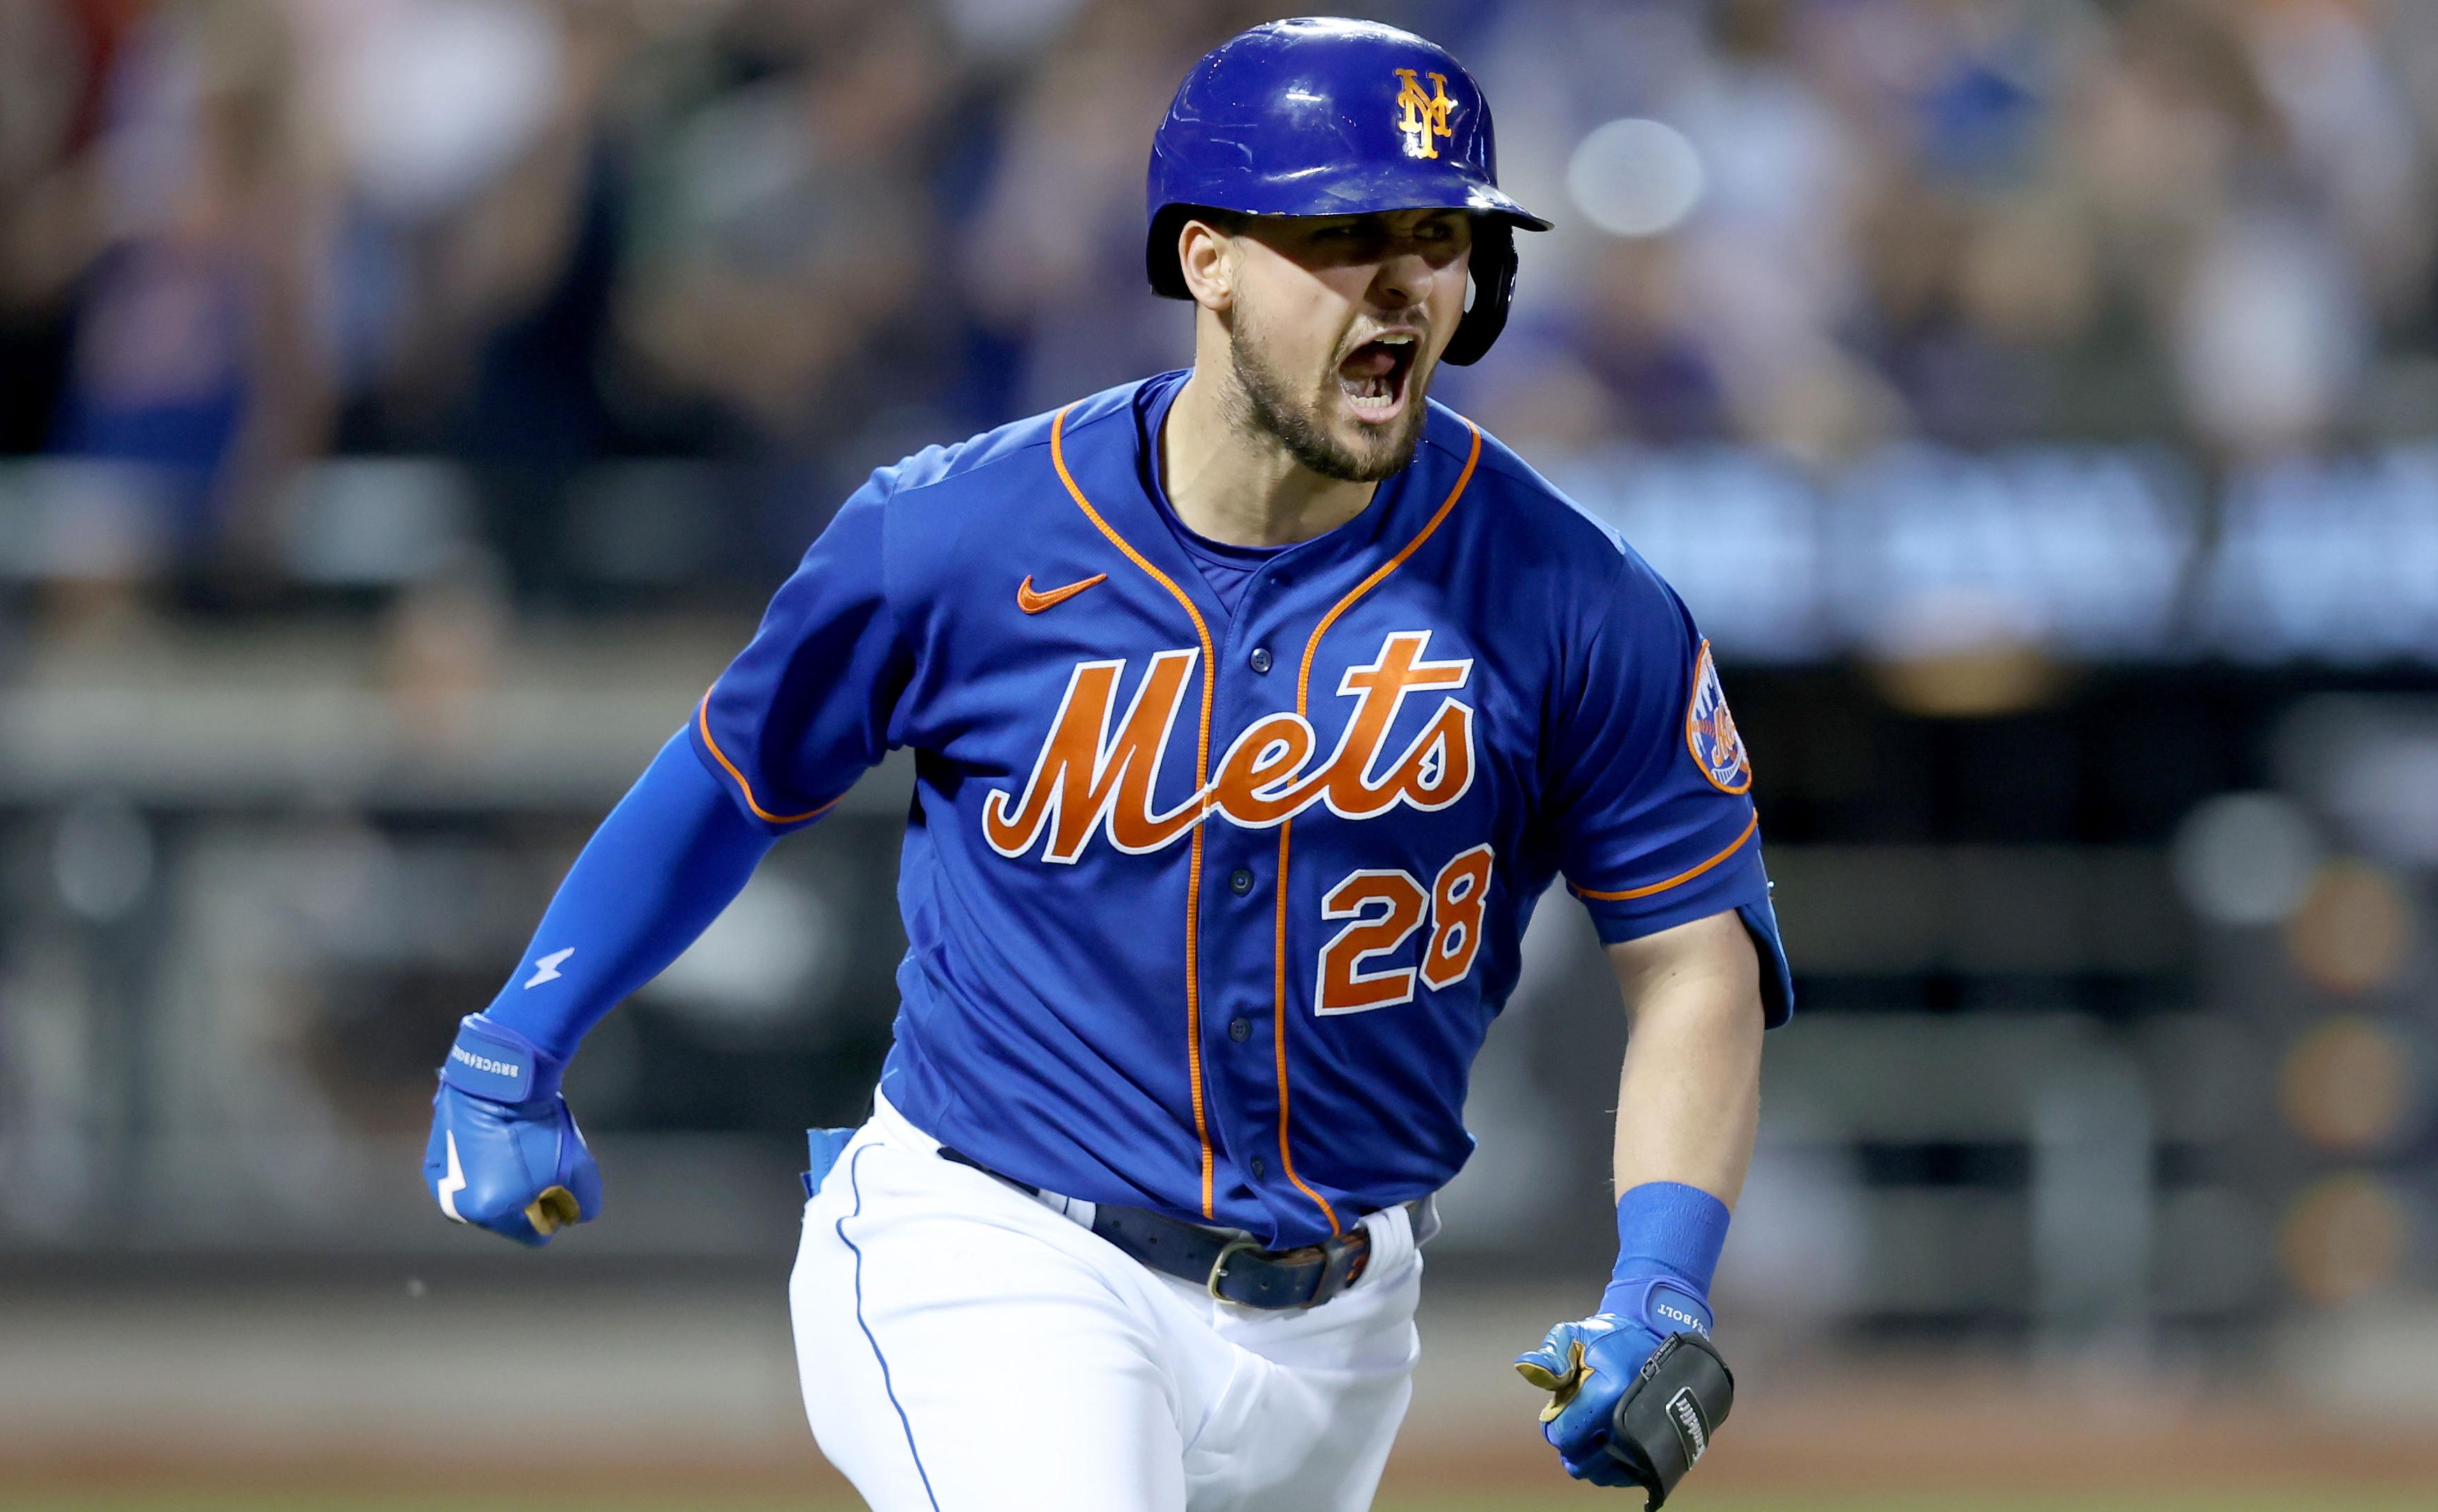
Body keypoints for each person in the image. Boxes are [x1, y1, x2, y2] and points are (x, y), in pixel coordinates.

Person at [422, 18, 1790, 1511]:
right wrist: (520, 1040)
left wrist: (1664, 1278)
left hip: (1345, 1319)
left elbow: (1692, 954)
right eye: (1347, 232)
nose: (1408, 281)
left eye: (1441, 237)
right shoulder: (959, 534)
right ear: (1205, 259)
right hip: (1001, 1248)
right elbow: (732, 777)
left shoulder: (1572, 594)